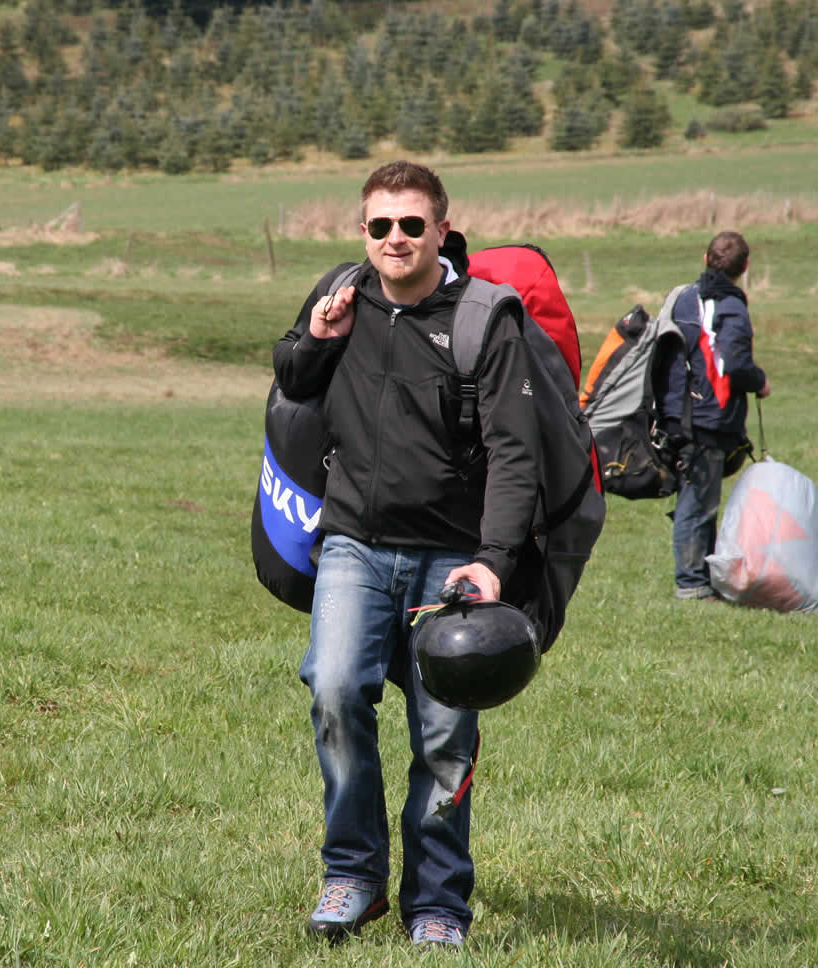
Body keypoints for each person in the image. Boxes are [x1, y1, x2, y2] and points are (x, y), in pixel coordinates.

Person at [271, 161, 543, 950]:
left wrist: (493, 559)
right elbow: (291, 378)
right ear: (364, 230)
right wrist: (318, 337)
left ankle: (437, 905)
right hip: (353, 544)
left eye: (412, 224)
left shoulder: (484, 318)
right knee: (333, 691)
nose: (396, 238)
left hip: (451, 557)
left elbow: (515, 451)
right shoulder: (342, 295)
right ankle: (353, 876)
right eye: (381, 225)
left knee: (444, 736)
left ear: (441, 230)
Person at [655, 230, 772, 600]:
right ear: (745, 267)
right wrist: (760, 381)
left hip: (677, 411)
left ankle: (703, 578)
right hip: (707, 418)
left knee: (699, 499)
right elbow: (734, 364)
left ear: (705, 259)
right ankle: (691, 584)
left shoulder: (684, 298)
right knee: (698, 504)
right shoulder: (731, 306)